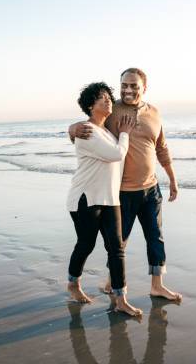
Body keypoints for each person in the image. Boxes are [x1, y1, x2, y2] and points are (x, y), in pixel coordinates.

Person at [69, 68, 182, 302]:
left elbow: (161, 147)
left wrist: (172, 178)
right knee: (118, 243)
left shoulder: (154, 112)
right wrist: (71, 129)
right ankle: (113, 282)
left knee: (156, 237)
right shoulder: (112, 109)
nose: (128, 90)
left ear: (144, 88)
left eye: (134, 86)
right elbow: (90, 126)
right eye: (124, 85)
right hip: (122, 192)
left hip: (151, 188)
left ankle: (157, 285)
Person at [66, 81, 142, 316]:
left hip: (110, 199)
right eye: (102, 98)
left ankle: (120, 298)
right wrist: (126, 134)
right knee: (86, 244)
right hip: (86, 199)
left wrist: (120, 134)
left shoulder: (107, 132)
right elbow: (116, 154)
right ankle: (73, 284)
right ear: (90, 105)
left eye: (109, 96)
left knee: (117, 249)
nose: (108, 100)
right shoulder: (87, 131)